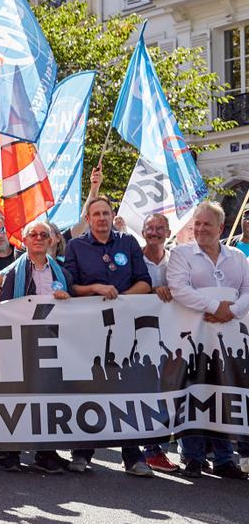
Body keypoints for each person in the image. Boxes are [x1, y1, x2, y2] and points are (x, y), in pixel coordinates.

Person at [63, 196, 153, 477]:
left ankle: (132, 455)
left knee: (125, 388)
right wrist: (96, 289)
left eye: (106, 213)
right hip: (89, 328)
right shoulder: (75, 246)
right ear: (88, 219)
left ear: (113, 216)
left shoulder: (127, 243)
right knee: (91, 387)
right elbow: (71, 285)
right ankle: (82, 452)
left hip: (126, 326)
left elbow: (144, 281)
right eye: (96, 214)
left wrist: (122, 299)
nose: (102, 218)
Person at [165, 201, 249, 480]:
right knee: (194, 392)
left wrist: (232, 311)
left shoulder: (237, 257)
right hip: (193, 339)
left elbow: (247, 290)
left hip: (229, 340)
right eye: (196, 224)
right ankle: (192, 456)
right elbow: (179, 289)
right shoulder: (181, 254)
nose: (200, 229)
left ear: (220, 228)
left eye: (206, 224)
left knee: (224, 392)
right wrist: (216, 306)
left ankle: (225, 458)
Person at [0, 220, 73, 474]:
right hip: (20, 340)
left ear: (51, 241)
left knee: (48, 396)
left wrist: (66, 299)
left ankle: (45, 452)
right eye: (33, 235)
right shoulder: (13, 272)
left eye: (44, 235)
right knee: (17, 396)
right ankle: (9, 452)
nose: (38, 238)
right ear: (25, 241)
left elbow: (73, 309)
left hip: (52, 341)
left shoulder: (63, 273)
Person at [140, 213, 179, 473]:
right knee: (142, 391)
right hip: (140, 338)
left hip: (172, 337)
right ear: (143, 232)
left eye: (159, 228)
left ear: (167, 232)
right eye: (149, 228)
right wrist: (152, 291)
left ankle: (156, 447)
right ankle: (148, 450)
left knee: (166, 392)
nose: (154, 232)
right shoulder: (135, 259)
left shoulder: (176, 260)